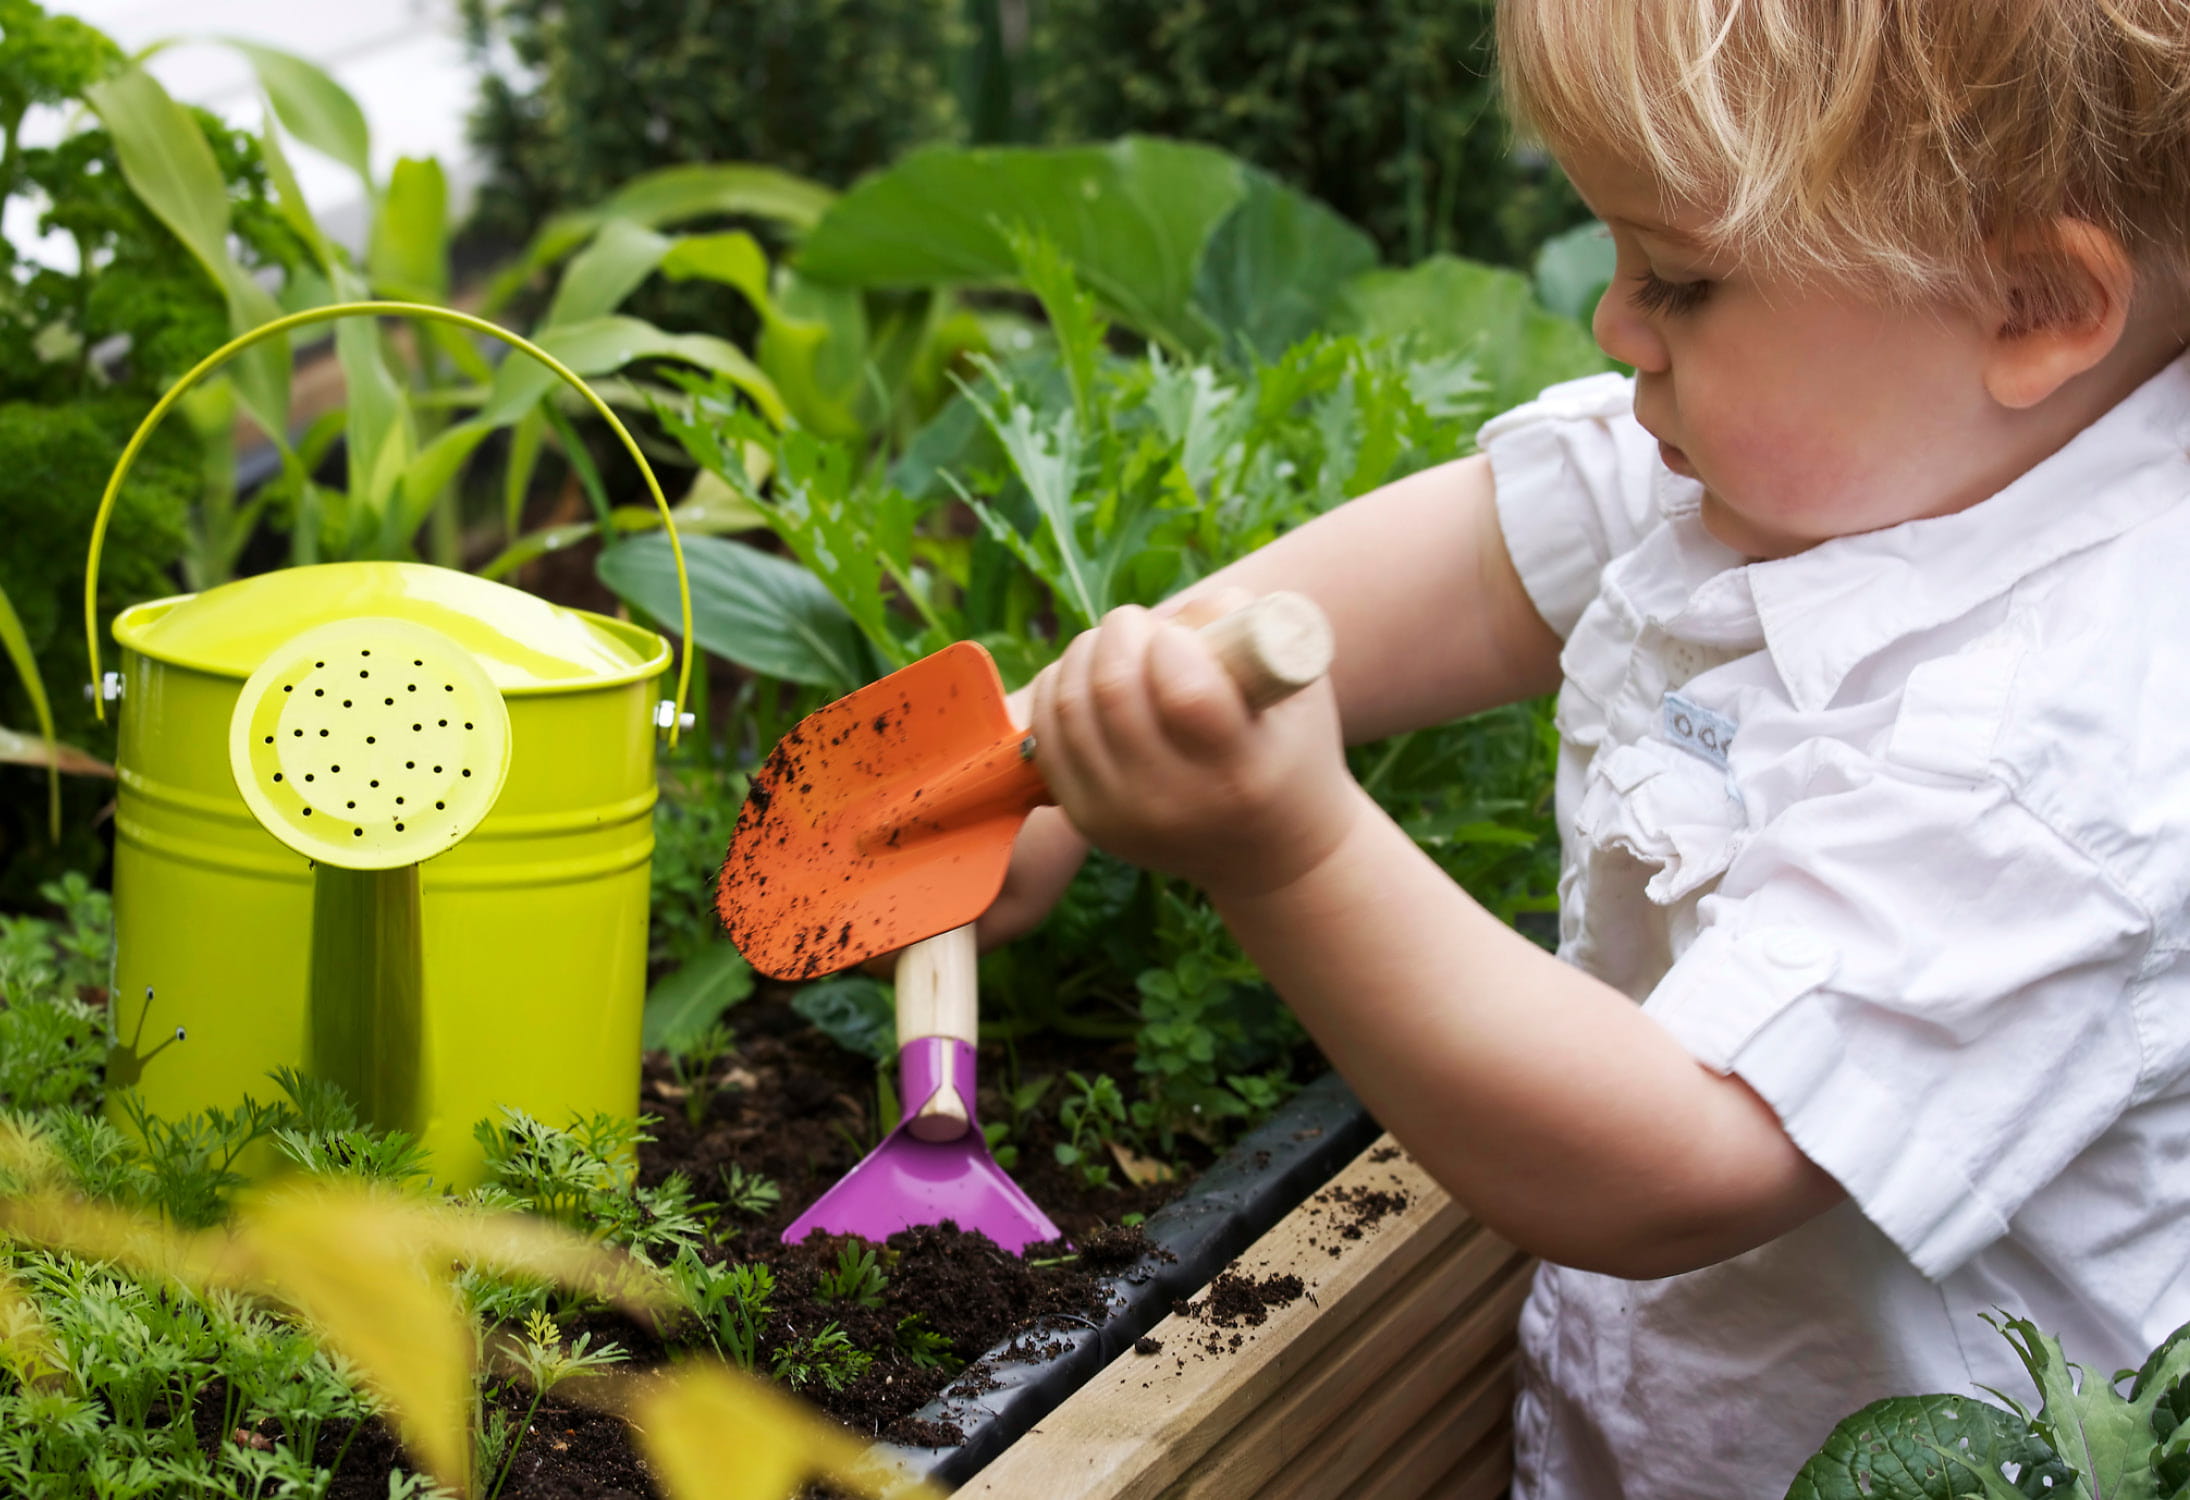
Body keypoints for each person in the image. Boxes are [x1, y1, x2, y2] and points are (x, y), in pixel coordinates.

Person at [974, 2, 2190, 1494]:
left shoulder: (2062, 742)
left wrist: (1279, 847)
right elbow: (1488, 560)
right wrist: (1045, 743)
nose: (1616, 329)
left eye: (1679, 278)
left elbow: (1676, 1161)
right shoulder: (1849, 448)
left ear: (2027, 305)